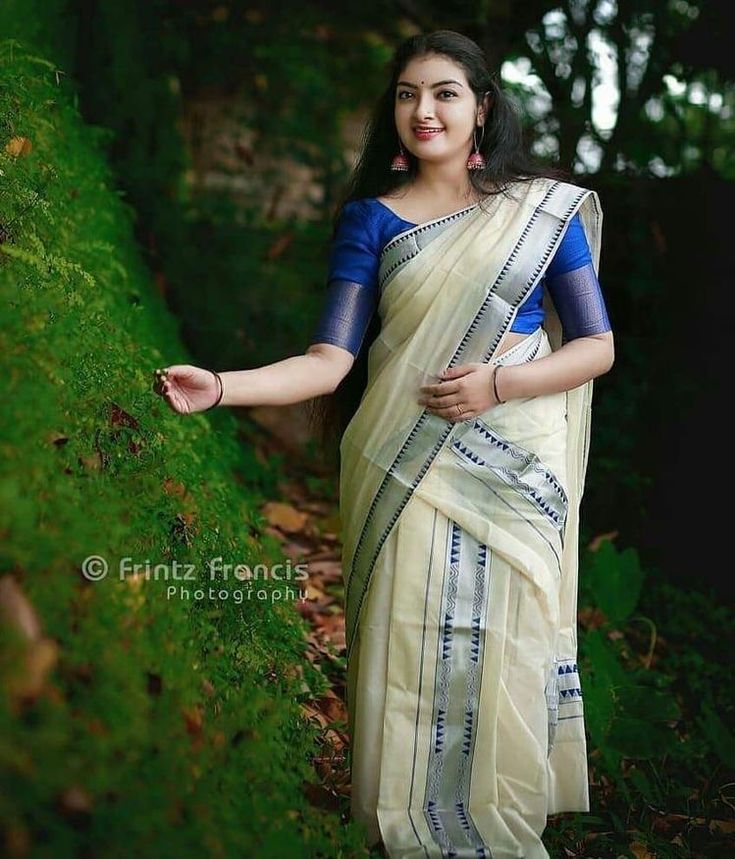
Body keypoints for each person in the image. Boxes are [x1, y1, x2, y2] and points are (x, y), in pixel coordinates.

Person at [153, 29, 614, 859]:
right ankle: (407, 832)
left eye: (443, 92)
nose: (423, 110)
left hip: (515, 469)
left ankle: (495, 831)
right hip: (400, 463)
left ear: (482, 108)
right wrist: (221, 385)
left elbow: (595, 346)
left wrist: (496, 385)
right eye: (406, 94)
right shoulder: (371, 220)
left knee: (500, 649)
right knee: (408, 647)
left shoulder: (540, 215)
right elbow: (328, 362)